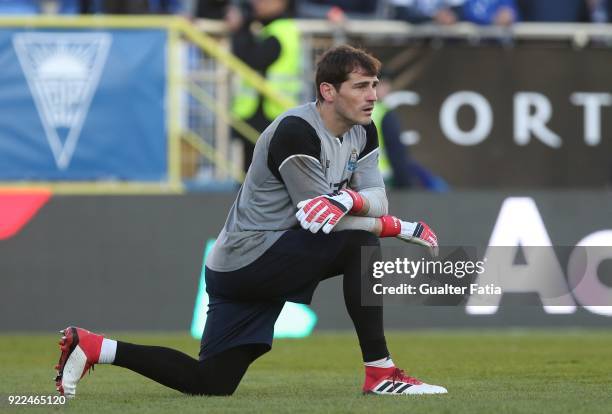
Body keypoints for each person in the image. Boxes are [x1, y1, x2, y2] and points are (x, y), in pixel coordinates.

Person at [55, 45, 447, 398]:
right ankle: (380, 372)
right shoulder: (297, 132)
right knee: (359, 245)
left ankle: (94, 346)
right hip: (251, 257)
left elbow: (377, 200)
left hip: (241, 264)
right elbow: (321, 224)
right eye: (361, 86)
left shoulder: (364, 130)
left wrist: (350, 198)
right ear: (329, 91)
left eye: (374, 85)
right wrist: (400, 228)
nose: (373, 96)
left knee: (210, 382)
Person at [228, 0, 301, 172]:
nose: (256, 3)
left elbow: (252, 59)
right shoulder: (272, 28)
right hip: (262, 114)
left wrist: (240, 28)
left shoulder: (280, 31)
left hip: (271, 116)